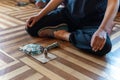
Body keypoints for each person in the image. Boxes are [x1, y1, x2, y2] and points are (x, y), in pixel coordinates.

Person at [26, 0, 119, 56]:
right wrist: (39, 15)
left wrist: (102, 29)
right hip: (69, 15)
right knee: (32, 27)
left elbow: (114, 2)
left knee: (103, 47)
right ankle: (73, 31)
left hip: (92, 21)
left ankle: (65, 35)